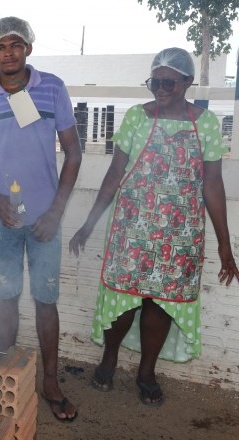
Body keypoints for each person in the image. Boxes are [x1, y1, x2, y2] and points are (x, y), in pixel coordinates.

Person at [69, 47, 239, 406]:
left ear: (187, 82)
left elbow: (212, 185)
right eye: (154, 83)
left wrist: (225, 244)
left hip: (180, 235)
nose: (159, 89)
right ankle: (109, 358)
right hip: (132, 229)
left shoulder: (206, 124)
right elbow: (114, 174)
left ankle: (146, 371)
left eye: (168, 83)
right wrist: (88, 225)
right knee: (124, 299)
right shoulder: (137, 117)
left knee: (161, 304)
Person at [0, 16, 82, 421]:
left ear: (28, 47)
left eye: (15, 45)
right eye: (0, 46)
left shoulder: (52, 88)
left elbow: (74, 152)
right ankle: (3, 374)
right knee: (6, 298)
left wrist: (57, 211)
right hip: (5, 220)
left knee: (46, 301)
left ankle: (51, 382)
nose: (8, 53)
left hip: (47, 217)